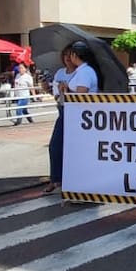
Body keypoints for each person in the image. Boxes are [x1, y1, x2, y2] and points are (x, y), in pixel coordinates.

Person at [46, 41, 101, 194]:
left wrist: (66, 89)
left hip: (75, 114)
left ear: (76, 55)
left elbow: (80, 96)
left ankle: (64, 180)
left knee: (58, 146)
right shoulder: (82, 71)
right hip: (70, 112)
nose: (68, 58)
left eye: (70, 54)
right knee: (65, 147)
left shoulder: (84, 72)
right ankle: (61, 180)